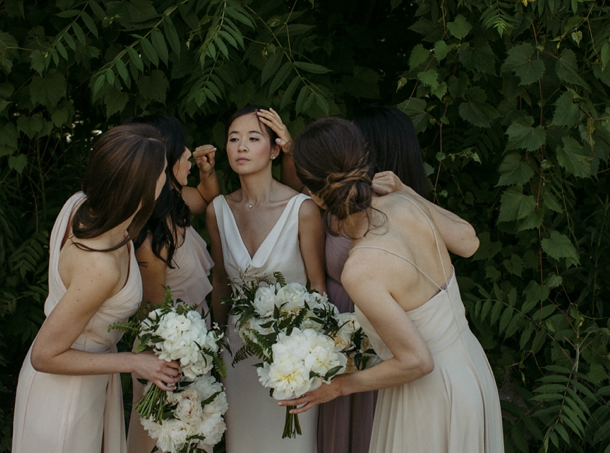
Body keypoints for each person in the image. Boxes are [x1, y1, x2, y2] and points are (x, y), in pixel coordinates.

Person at [278, 118, 502, 452]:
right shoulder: (405, 204)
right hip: (472, 370)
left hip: (429, 395)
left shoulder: (360, 269)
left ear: (315, 195)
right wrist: (407, 190)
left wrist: (339, 387)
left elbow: (417, 361)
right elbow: (468, 242)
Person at [12, 124, 178, 453]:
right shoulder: (99, 266)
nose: (167, 177)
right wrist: (135, 362)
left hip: (85, 385)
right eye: (162, 170)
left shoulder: (81, 206)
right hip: (66, 399)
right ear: (141, 187)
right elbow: (44, 355)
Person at [205, 106, 327, 452]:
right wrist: (216, 345)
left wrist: (312, 357)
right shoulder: (218, 210)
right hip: (237, 355)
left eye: (253, 138)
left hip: (294, 355)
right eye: (234, 139)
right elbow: (220, 281)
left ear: (275, 150)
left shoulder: (302, 209)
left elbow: (318, 288)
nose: (241, 146)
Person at [120, 115, 220, 453]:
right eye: (182, 149)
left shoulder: (175, 206)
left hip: (193, 343)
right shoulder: (152, 238)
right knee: (163, 441)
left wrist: (207, 171)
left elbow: (208, 198)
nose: (189, 153)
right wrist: (172, 364)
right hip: (166, 356)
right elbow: (152, 315)